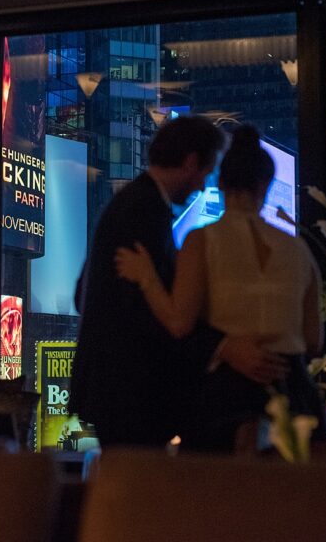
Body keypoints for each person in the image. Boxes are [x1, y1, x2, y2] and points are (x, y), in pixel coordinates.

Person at [69, 115, 290, 448]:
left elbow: (83, 292)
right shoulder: (144, 210)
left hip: (116, 389)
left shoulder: (134, 203)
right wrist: (222, 346)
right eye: (206, 171)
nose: (203, 185)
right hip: (132, 392)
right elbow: (149, 312)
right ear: (190, 162)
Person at [115, 125, 323, 451]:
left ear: (221, 182)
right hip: (292, 392)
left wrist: (147, 277)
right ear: (266, 184)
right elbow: (313, 340)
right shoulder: (300, 251)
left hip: (226, 400)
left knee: (218, 496)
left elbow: (179, 323)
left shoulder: (202, 241)